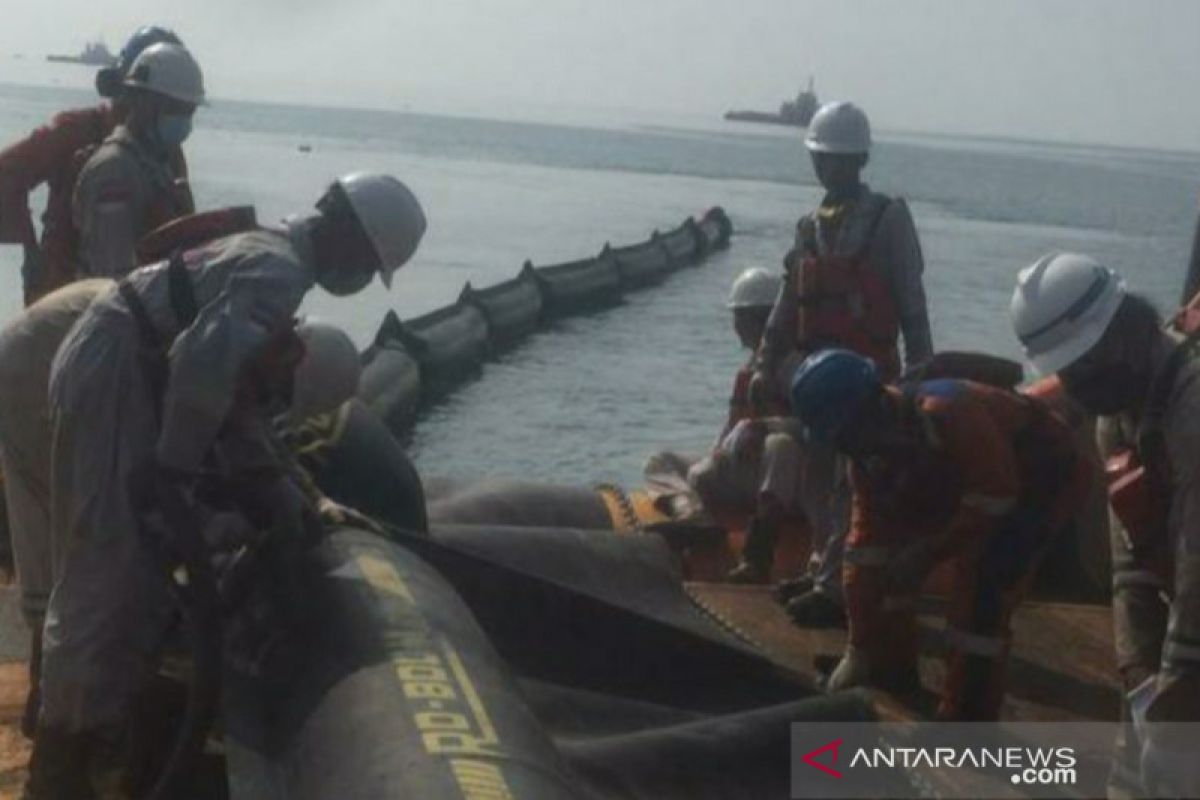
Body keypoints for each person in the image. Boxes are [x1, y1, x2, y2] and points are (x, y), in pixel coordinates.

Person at [24, 172, 426, 798]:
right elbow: (200, 371)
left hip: (117, 362)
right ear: (351, 238)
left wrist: (308, 500)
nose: (362, 282)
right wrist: (174, 478)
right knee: (104, 567)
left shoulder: (268, 256)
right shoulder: (279, 273)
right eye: (371, 266)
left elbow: (235, 407)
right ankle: (60, 765)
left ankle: (88, 734)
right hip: (114, 370)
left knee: (118, 568)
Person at [790, 349, 1086, 720]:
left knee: (981, 595)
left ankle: (967, 720)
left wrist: (926, 553)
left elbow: (996, 495)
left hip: (1039, 477)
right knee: (885, 575)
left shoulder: (948, 410)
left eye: (851, 434)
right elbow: (864, 549)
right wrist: (859, 648)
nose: (851, 447)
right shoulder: (867, 458)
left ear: (877, 406)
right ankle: (890, 673)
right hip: (965, 479)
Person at [1010, 252, 1200, 796]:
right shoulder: (1117, 415)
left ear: (1123, 332)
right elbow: (1132, 562)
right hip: (1182, 609)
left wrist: (1180, 678)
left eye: (1086, 367)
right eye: (1069, 374)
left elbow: (1196, 559)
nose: (1080, 389)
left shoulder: (1192, 406)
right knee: (1138, 761)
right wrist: (1140, 672)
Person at [757, 101, 934, 628]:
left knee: (850, 483)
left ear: (858, 160)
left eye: (835, 158)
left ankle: (837, 587)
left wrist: (921, 375)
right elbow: (788, 302)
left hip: (866, 379)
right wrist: (768, 360)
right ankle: (820, 570)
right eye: (821, 157)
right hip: (815, 380)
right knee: (817, 480)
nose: (826, 167)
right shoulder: (810, 226)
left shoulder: (887, 220)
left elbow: (912, 304)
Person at [0, 27, 190, 304]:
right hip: (59, 294)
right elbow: (7, 172)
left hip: (131, 297)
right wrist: (31, 250)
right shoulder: (73, 132)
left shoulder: (168, 151)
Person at [682, 268, 803, 582]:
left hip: (782, 481)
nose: (735, 327)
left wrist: (767, 426)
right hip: (742, 471)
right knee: (664, 462)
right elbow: (730, 426)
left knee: (781, 446)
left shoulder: (796, 370)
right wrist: (715, 456)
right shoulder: (747, 373)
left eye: (739, 318)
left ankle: (759, 552)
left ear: (762, 320)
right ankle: (694, 518)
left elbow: (812, 430)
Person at [71, 41, 202, 279]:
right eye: (177, 109)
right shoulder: (114, 171)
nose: (184, 120)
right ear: (144, 102)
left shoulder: (155, 164)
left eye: (189, 112)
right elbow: (114, 277)